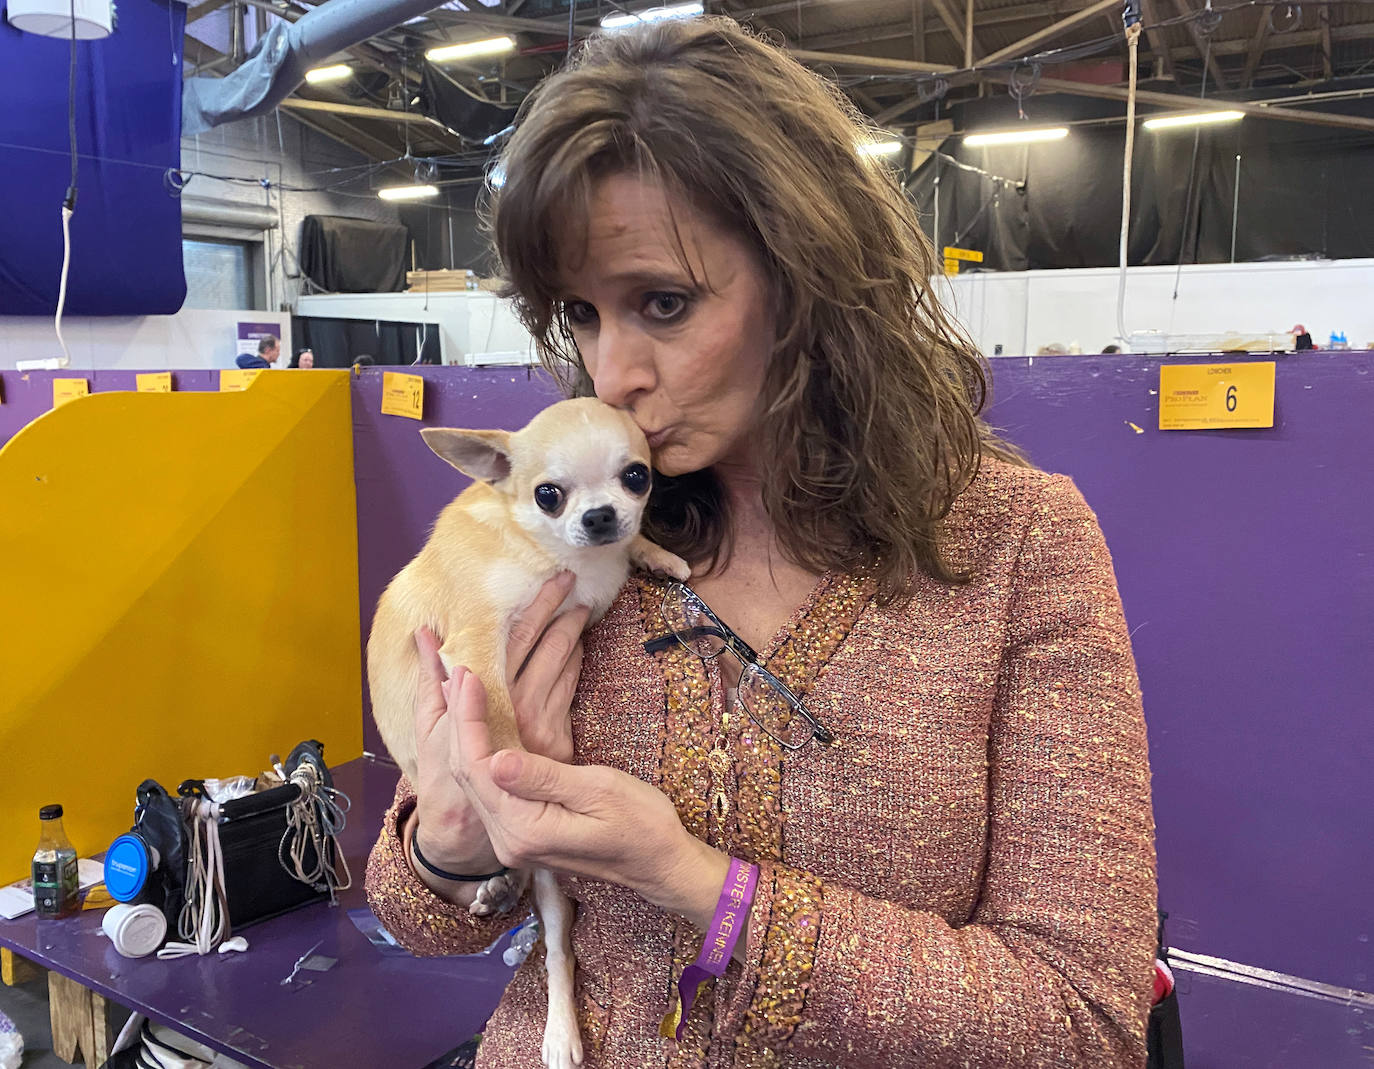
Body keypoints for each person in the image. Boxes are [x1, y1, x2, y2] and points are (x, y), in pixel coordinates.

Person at [366, 17, 1157, 1068]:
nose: (614, 377)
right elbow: (419, 915)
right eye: (583, 315)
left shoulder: (1018, 547)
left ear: (808, 277)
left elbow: (1082, 1020)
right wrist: (447, 847)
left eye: (663, 302)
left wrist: (698, 884)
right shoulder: (571, 547)